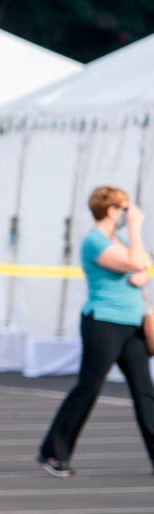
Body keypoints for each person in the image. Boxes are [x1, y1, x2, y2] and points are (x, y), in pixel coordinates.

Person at [36, 186, 154, 479]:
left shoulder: (120, 239)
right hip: (103, 323)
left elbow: (144, 263)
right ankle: (54, 451)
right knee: (89, 387)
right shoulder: (95, 241)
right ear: (112, 210)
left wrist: (139, 267)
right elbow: (137, 261)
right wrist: (137, 230)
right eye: (125, 209)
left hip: (131, 324)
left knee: (144, 392)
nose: (130, 214)